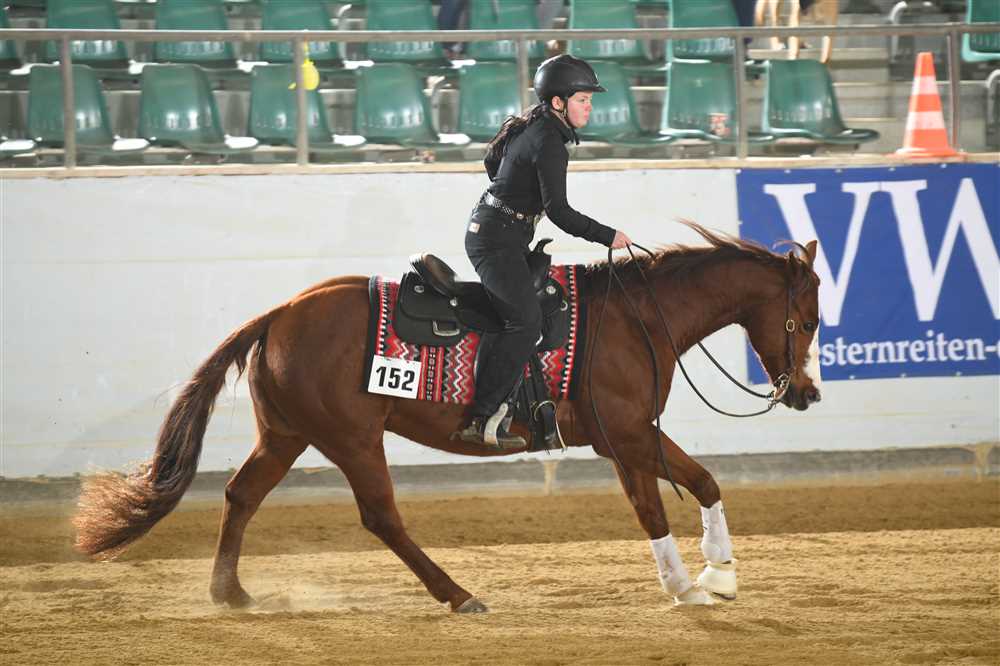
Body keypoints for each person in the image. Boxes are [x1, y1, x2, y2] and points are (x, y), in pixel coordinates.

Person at [457, 54, 633, 449]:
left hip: (500, 232)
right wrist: (608, 236)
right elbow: (560, 213)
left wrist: (513, 202)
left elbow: (492, 161)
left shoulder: (534, 125)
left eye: (590, 100)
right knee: (525, 323)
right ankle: (482, 417)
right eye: (582, 100)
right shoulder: (549, 141)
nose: (589, 107)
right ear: (558, 102)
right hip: (496, 240)